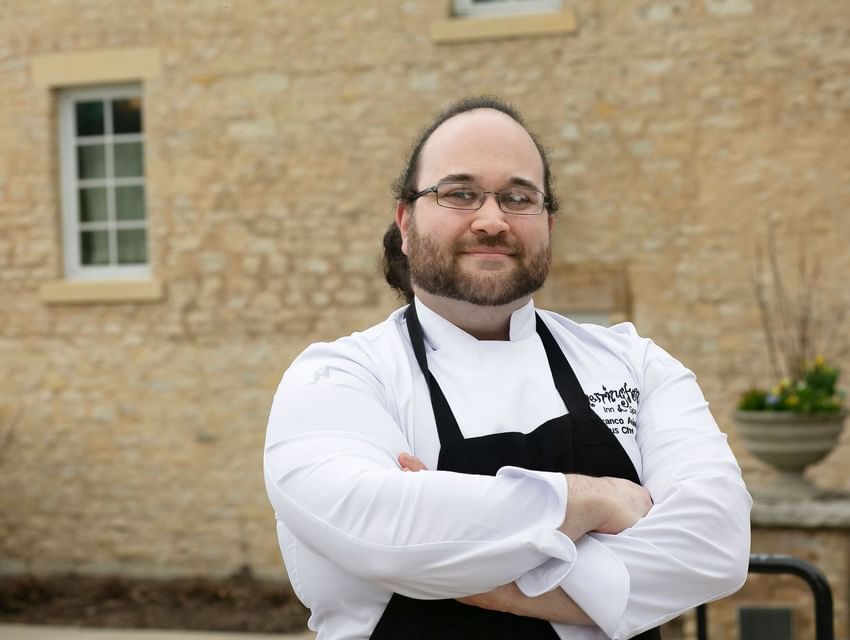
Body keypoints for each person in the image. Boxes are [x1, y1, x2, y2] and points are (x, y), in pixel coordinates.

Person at [264, 96, 751, 640]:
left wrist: (478, 578)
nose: (492, 220)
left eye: (518, 197)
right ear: (406, 221)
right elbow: (380, 528)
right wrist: (594, 500)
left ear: (548, 223)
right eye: (460, 193)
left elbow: (716, 547)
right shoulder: (338, 377)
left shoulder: (634, 363)